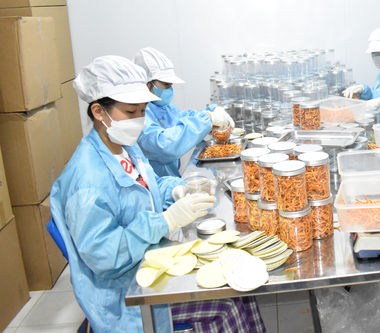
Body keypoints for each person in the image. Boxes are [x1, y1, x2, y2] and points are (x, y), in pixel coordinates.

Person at [49, 56, 265, 333]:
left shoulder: (122, 146)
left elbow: (149, 183)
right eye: (131, 112)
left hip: (149, 260)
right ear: (98, 112)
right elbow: (105, 256)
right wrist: (164, 221)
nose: (139, 120)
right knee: (228, 304)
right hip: (125, 295)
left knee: (241, 281)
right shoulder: (87, 181)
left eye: (143, 110)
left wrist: (176, 189)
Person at [133, 47, 234, 178]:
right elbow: (164, 145)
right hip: (156, 189)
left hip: (170, 183)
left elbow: (183, 118)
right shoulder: (137, 117)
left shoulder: (162, 109)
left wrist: (212, 111)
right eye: (166, 85)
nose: (170, 89)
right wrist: (208, 119)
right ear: (147, 85)